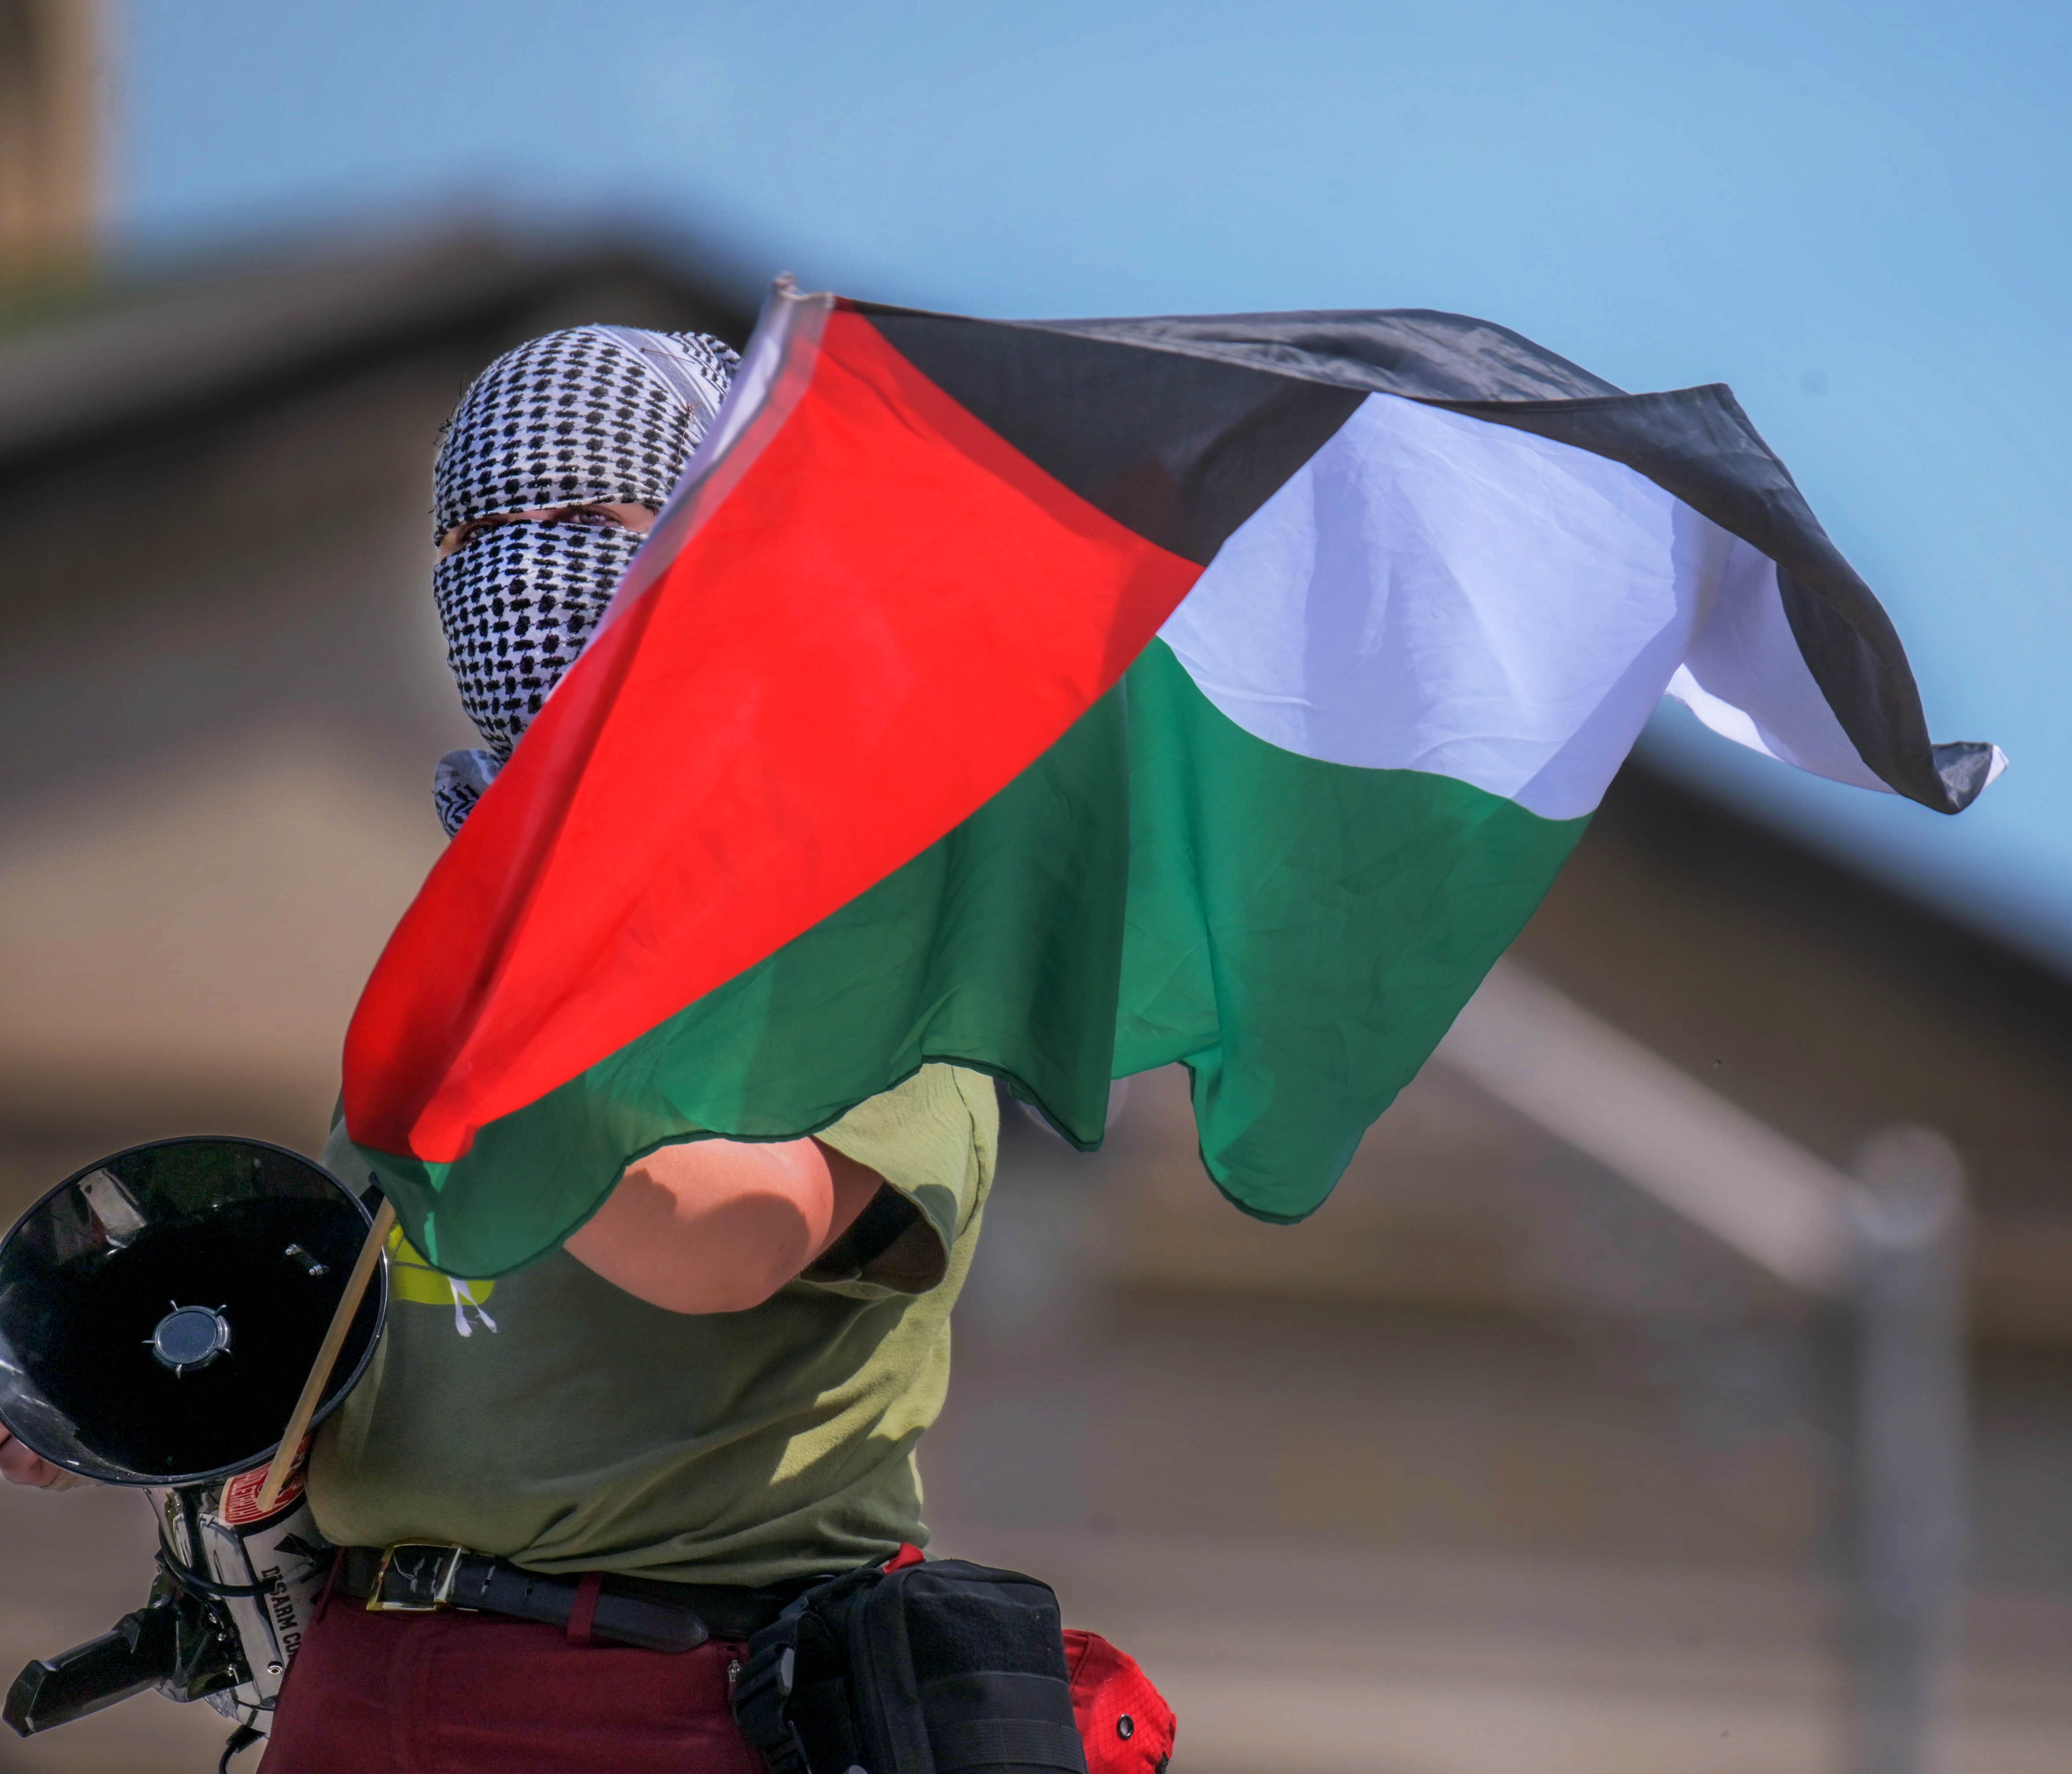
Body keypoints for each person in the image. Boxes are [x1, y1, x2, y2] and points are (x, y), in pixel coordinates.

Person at [0, 324, 1002, 1773]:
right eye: (480, 529)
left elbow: (724, 1247)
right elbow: (400, 1322)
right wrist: (117, 1391)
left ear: (738, 556)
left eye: (592, 517)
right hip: (366, 1675)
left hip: (658, 1692)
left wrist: (502, 1055)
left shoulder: (863, 926)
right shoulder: (467, 927)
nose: (521, 568)